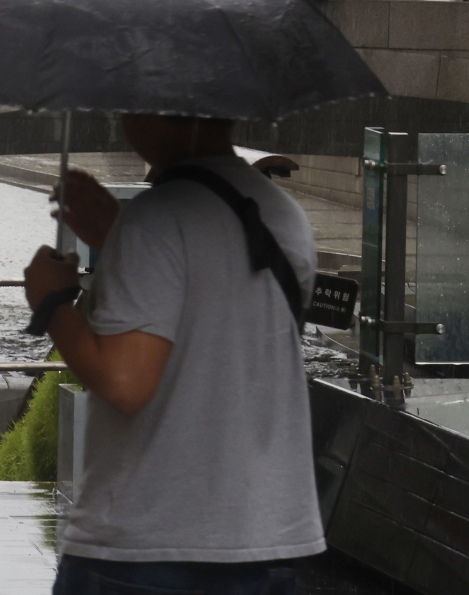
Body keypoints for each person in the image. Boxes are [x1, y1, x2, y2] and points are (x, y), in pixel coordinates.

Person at [23, 114, 324, 595]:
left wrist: (52, 303)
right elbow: (216, 321)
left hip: (145, 545)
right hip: (265, 542)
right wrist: (118, 237)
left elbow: (126, 382)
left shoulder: (158, 217)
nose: (125, 116)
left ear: (169, 108)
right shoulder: (283, 214)